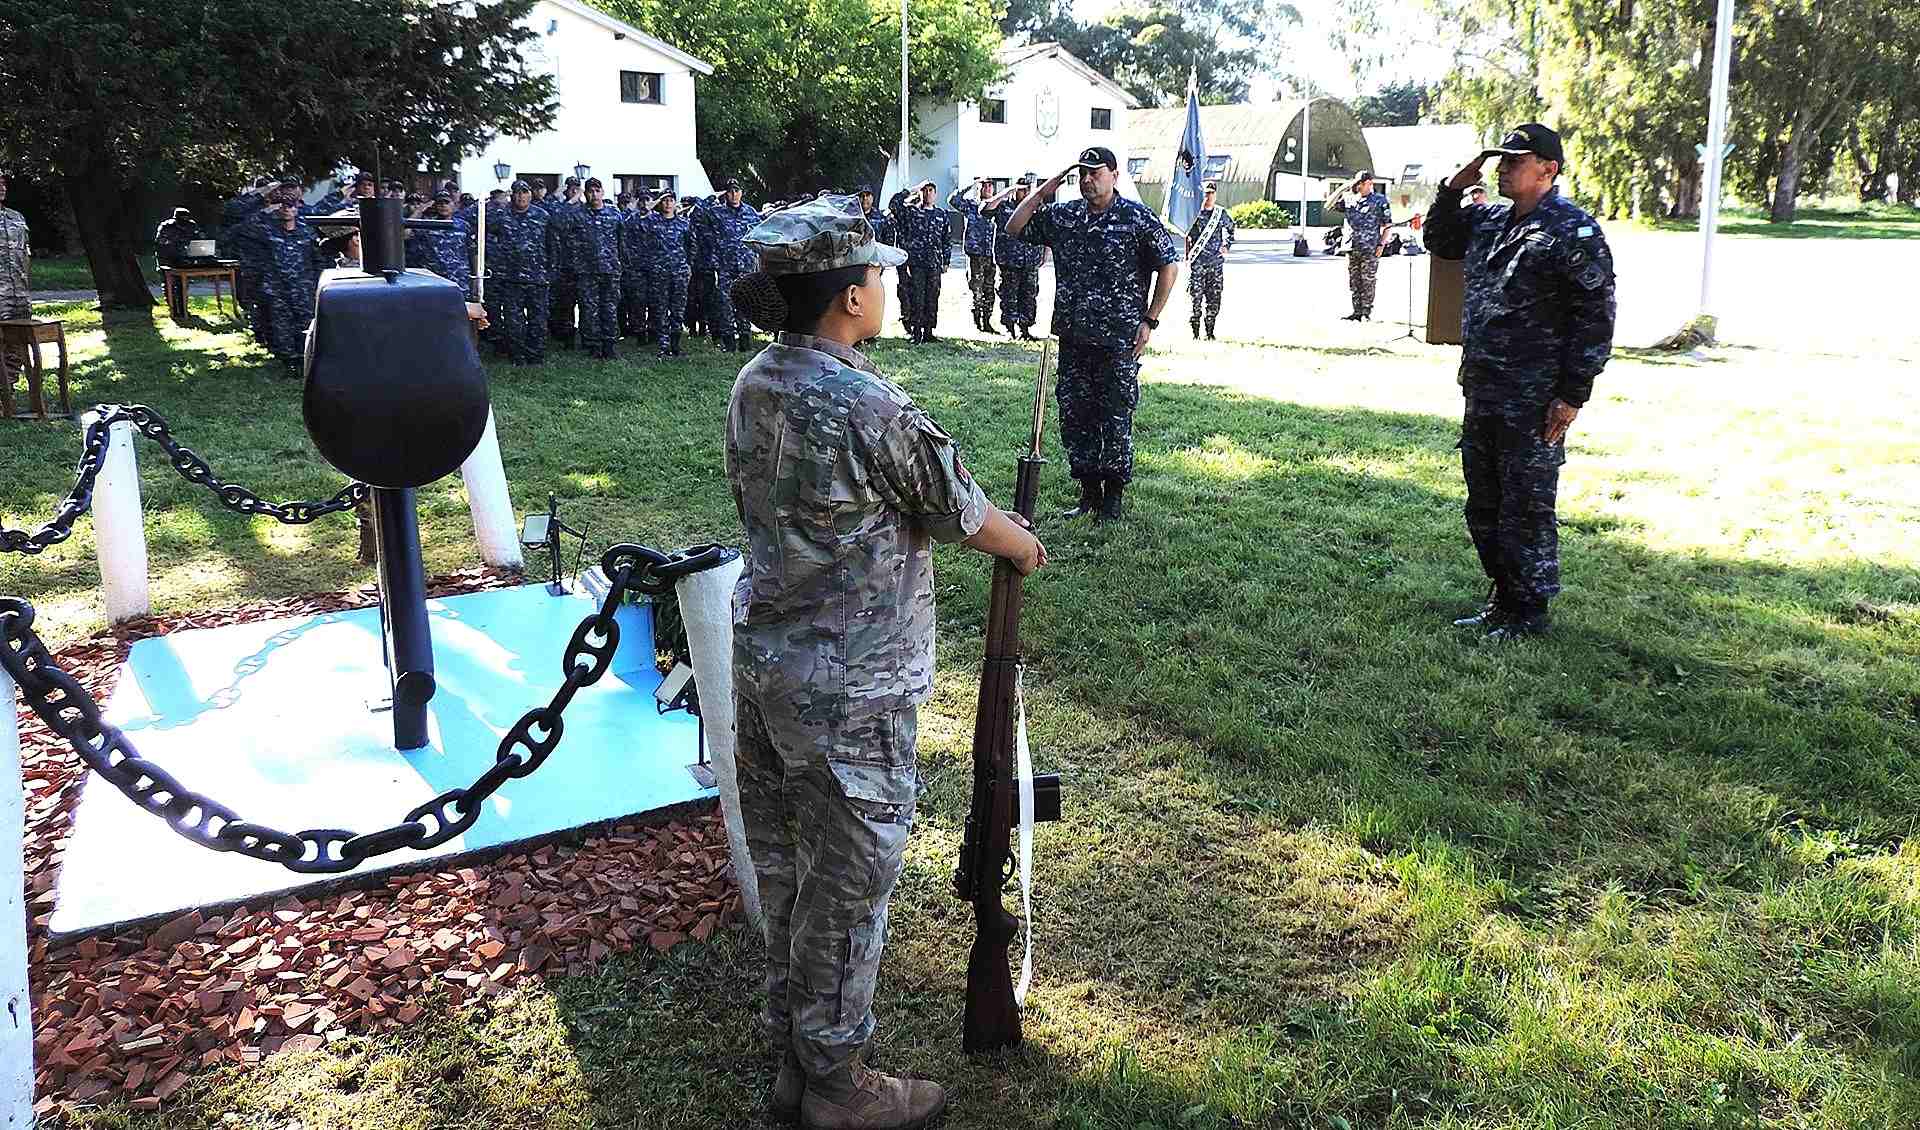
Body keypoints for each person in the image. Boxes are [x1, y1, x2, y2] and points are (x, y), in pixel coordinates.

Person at [723, 193, 1046, 1130]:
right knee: (851, 884)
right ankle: (836, 1087)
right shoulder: (868, 403)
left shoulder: (758, 379)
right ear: (848, 297)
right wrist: (1021, 547)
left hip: (768, 665)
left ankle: (795, 1054)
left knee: (789, 870)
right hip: (851, 687)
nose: (889, 286)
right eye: (880, 274)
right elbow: (959, 510)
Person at [1424, 122, 1617, 642]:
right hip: (1484, 387)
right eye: (1501, 159)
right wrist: (1453, 185)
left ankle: (1528, 609)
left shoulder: (1573, 231)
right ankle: (1503, 597)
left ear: (1547, 170)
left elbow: (1594, 317)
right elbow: (1439, 239)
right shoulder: (1490, 220)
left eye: (1515, 160)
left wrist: (1572, 394)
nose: (1504, 167)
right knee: (1484, 501)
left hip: (1534, 397)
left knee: (1526, 504)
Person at [1006, 145, 1179, 521]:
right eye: (1082, 173)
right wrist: (1048, 186)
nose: (1087, 179)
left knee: (1114, 416)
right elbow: (1014, 226)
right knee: (1076, 416)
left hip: (1119, 340)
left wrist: (1150, 320)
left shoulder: (1137, 218)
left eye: (1095, 172)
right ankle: (1088, 493)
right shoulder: (1065, 216)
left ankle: (1113, 499)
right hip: (1073, 337)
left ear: (1115, 176)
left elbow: (1168, 267)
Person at [253, 186, 326, 377]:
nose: (287, 209)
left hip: (303, 288)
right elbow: (247, 226)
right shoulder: (267, 229)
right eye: (283, 206)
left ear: (297, 208)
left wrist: (317, 283)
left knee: (305, 324)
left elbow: (318, 260)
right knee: (281, 326)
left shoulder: (307, 232)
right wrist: (269, 205)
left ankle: (306, 362)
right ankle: (289, 363)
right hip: (277, 288)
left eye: (291, 206)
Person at [557, 177, 624, 359]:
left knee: (610, 309)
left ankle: (610, 346)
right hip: (586, 271)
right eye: (590, 191)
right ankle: (594, 346)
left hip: (610, 270)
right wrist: (571, 201)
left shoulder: (614, 214)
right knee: (589, 310)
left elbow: (622, 241)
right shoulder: (577, 214)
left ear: (602, 192)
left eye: (597, 190)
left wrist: (621, 265)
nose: (594, 195)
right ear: (585, 194)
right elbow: (557, 224)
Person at [488, 180, 553, 365]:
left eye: (524, 192)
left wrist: (551, 271)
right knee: (513, 321)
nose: (520, 196)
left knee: (538, 319)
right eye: (516, 192)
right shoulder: (500, 217)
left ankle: (536, 356)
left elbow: (552, 245)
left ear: (530, 194)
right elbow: (487, 238)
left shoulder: (542, 216)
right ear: (512, 195)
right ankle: (517, 355)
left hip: (537, 278)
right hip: (511, 278)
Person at [706, 178, 763, 351]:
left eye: (737, 190)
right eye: (730, 191)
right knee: (725, 303)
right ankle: (729, 341)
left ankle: (745, 339)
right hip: (725, 266)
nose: (734, 194)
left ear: (741, 192)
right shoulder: (716, 213)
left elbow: (758, 237)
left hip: (745, 265)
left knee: (745, 301)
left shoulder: (751, 212)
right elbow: (704, 230)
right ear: (725, 193)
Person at [985, 176, 1042, 339]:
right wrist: (1006, 192)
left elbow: (1044, 229)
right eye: (1021, 190)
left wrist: (1045, 253)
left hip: (1030, 259)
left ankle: (1025, 329)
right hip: (1009, 259)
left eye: (1027, 190)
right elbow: (985, 209)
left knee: (1029, 295)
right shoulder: (1003, 206)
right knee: (1009, 295)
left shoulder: (1034, 207)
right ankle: (1010, 329)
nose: (1025, 193)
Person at [1329, 170, 1391, 320]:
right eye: (1357, 184)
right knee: (1354, 281)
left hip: (1370, 247)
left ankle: (1366, 313)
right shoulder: (1349, 199)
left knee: (1368, 281)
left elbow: (1388, 225)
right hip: (1352, 247)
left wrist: (1381, 244)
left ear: (1370, 183)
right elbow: (1328, 205)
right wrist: (1342, 188)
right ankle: (1356, 312)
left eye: (1362, 183)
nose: (1359, 186)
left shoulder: (1379, 200)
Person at [1184, 180, 1235, 340]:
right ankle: (1195, 334)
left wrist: (1227, 245)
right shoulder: (1195, 214)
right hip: (1198, 265)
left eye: (1211, 193)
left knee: (1214, 300)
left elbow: (1231, 228)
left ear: (1215, 194)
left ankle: (1210, 332)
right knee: (1196, 300)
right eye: (1206, 193)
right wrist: (1187, 256)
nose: (1208, 196)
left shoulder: (1220, 214)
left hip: (1215, 265)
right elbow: (1187, 236)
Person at [645, 192, 694, 357]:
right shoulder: (652, 222)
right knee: (660, 309)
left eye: (671, 200)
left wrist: (688, 266)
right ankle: (663, 345)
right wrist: (654, 204)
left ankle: (675, 344)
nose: (667, 204)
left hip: (679, 272)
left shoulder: (684, 224)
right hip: (659, 273)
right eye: (664, 201)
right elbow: (638, 218)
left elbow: (691, 246)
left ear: (675, 203)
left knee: (678, 310)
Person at [947, 177, 999, 333]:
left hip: (992, 254)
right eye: (985, 186)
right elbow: (953, 199)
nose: (988, 188)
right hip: (975, 254)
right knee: (976, 289)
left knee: (990, 289)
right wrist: (971, 184)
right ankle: (978, 322)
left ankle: (987, 322)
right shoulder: (971, 206)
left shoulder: (998, 207)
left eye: (990, 186)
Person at [620, 193, 657, 347]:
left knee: (656, 301)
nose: (644, 203)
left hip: (655, 267)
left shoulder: (657, 218)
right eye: (641, 200)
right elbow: (625, 228)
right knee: (638, 302)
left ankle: (654, 331)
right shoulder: (631, 218)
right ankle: (640, 333)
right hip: (636, 268)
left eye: (647, 200)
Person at [0, 174, 29, 368]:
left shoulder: (16, 217)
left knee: (18, 345)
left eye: (3, 183)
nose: (2, 187)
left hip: (19, 295)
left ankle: (8, 393)